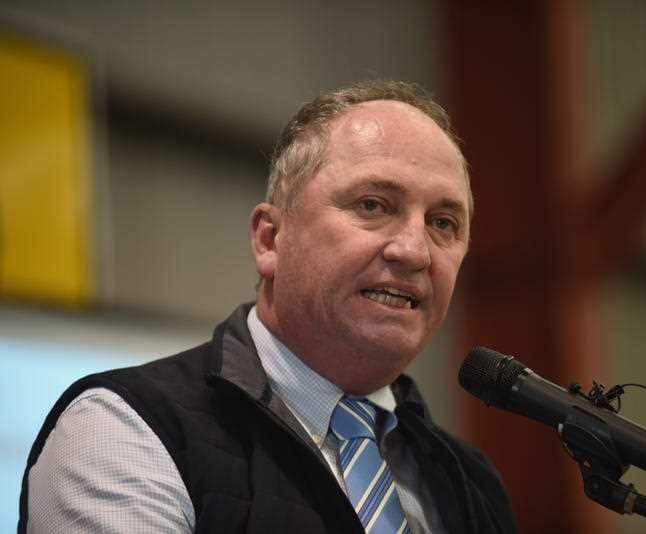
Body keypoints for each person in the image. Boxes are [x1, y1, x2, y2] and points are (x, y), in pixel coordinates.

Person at [19, 80, 516, 533]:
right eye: (372, 205)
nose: (414, 250)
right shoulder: (121, 432)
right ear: (271, 239)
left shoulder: (470, 481)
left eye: (444, 223)